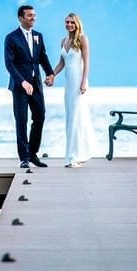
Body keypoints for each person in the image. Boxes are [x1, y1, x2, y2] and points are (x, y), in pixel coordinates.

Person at [4, 4, 55, 168]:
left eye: (34, 15)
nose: (33, 18)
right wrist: (22, 82)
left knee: (40, 116)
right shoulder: (11, 38)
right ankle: (24, 158)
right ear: (21, 18)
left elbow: (43, 57)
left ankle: (33, 153)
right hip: (20, 86)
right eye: (30, 16)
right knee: (21, 120)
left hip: (36, 85)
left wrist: (50, 74)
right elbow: (9, 64)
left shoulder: (38, 36)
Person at [52, 12, 97, 167]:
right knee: (71, 117)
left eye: (72, 22)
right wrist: (52, 75)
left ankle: (74, 156)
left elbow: (87, 62)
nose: (69, 24)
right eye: (67, 22)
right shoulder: (64, 41)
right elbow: (61, 63)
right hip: (68, 85)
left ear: (77, 23)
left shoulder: (82, 39)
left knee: (77, 118)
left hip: (79, 83)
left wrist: (84, 81)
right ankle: (75, 154)